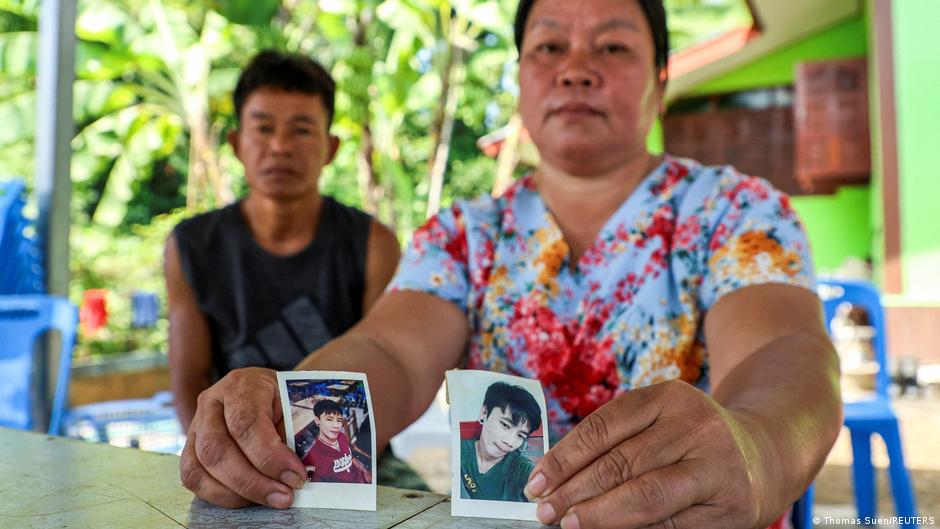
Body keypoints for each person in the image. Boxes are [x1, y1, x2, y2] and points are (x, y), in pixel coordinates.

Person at [178, 1, 842, 528]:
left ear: (662, 82)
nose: (576, 68)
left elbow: (785, 351)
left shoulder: (739, 211)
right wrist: (286, 406)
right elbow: (390, 349)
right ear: (520, 76)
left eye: (612, 47)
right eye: (549, 47)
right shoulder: (465, 234)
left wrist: (754, 447)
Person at [164, 51, 425, 490]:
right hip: (238, 452)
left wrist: (334, 464)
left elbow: (389, 363)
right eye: (263, 128)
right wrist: (221, 457)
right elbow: (189, 376)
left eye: (301, 130)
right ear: (235, 143)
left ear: (331, 148)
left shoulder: (373, 243)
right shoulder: (189, 246)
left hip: (355, 455)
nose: (280, 146)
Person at [460, 382, 542, 502]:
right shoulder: (460, 450)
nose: (510, 442)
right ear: (484, 413)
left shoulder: (521, 468)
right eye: (505, 425)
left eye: (520, 435)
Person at [301, 399, 371, 484]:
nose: (335, 425)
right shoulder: (314, 457)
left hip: (364, 480)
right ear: (318, 421)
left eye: (338, 420)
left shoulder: (342, 437)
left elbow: (351, 457)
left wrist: (363, 470)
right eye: (329, 419)